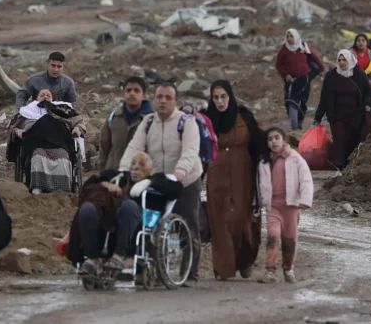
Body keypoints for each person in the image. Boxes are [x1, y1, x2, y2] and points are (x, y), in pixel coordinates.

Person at [118, 82, 203, 286]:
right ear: (153, 99)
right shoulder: (147, 123)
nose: (163, 101)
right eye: (160, 97)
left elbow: (191, 151)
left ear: (175, 101)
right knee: (149, 223)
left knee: (188, 222)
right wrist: (122, 172)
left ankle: (190, 272)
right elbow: (134, 147)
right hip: (157, 181)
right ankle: (148, 267)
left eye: (168, 97)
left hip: (185, 180)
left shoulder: (186, 123)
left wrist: (179, 174)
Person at [69, 154, 183, 279]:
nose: (135, 168)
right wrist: (106, 184)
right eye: (133, 164)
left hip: (138, 228)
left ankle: (119, 256)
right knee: (87, 209)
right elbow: (94, 180)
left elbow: (177, 190)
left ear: (150, 168)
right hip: (111, 227)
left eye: (141, 165)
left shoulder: (158, 179)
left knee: (129, 207)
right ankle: (93, 259)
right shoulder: (122, 177)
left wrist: (149, 182)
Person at [202, 80, 264, 281]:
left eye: (223, 97)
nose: (220, 101)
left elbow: (257, 141)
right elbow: (199, 149)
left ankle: (245, 260)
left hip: (243, 173)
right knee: (220, 221)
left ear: (230, 96)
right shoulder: (207, 120)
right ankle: (224, 268)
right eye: (216, 97)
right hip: (217, 175)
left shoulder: (244, 116)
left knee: (243, 219)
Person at [257, 127, 313, 284]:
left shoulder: (295, 159)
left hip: (291, 206)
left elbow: (306, 179)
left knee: (289, 240)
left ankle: (288, 268)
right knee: (272, 236)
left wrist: (305, 199)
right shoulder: (264, 161)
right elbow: (260, 183)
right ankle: (270, 270)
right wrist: (261, 200)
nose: (273, 141)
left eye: (277, 138)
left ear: (284, 140)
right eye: (270, 139)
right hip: (273, 206)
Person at [10, 89, 85, 194]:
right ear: (36, 99)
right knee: (38, 155)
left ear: (53, 99)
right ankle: (38, 187)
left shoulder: (63, 109)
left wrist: (77, 129)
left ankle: (62, 189)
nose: (45, 97)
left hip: (59, 142)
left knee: (63, 156)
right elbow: (13, 126)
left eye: (48, 95)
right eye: (42, 95)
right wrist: (17, 131)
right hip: (36, 143)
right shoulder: (27, 111)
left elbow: (79, 122)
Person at [313, 50, 371, 169]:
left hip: (355, 114)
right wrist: (317, 118)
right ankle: (339, 164)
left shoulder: (359, 75)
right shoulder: (331, 76)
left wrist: (367, 103)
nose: (341, 63)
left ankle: (351, 164)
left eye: (344, 60)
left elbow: (368, 91)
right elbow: (324, 97)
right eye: (339, 60)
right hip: (336, 115)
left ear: (350, 60)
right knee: (339, 140)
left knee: (352, 140)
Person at [99, 76, 154, 171]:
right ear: (123, 94)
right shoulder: (113, 118)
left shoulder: (151, 121)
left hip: (140, 176)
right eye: (128, 90)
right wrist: (102, 174)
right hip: (113, 174)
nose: (132, 93)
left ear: (143, 95)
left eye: (136, 90)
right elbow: (104, 148)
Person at [275, 29, 325, 130]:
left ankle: (299, 123)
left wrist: (322, 69)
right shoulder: (284, 49)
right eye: (287, 36)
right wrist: (286, 75)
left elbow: (314, 57)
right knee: (291, 101)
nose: (289, 38)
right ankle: (294, 126)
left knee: (302, 101)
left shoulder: (303, 46)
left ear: (296, 37)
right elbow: (279, 64)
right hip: (292, 81)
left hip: (304, 79)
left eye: (291, 36)